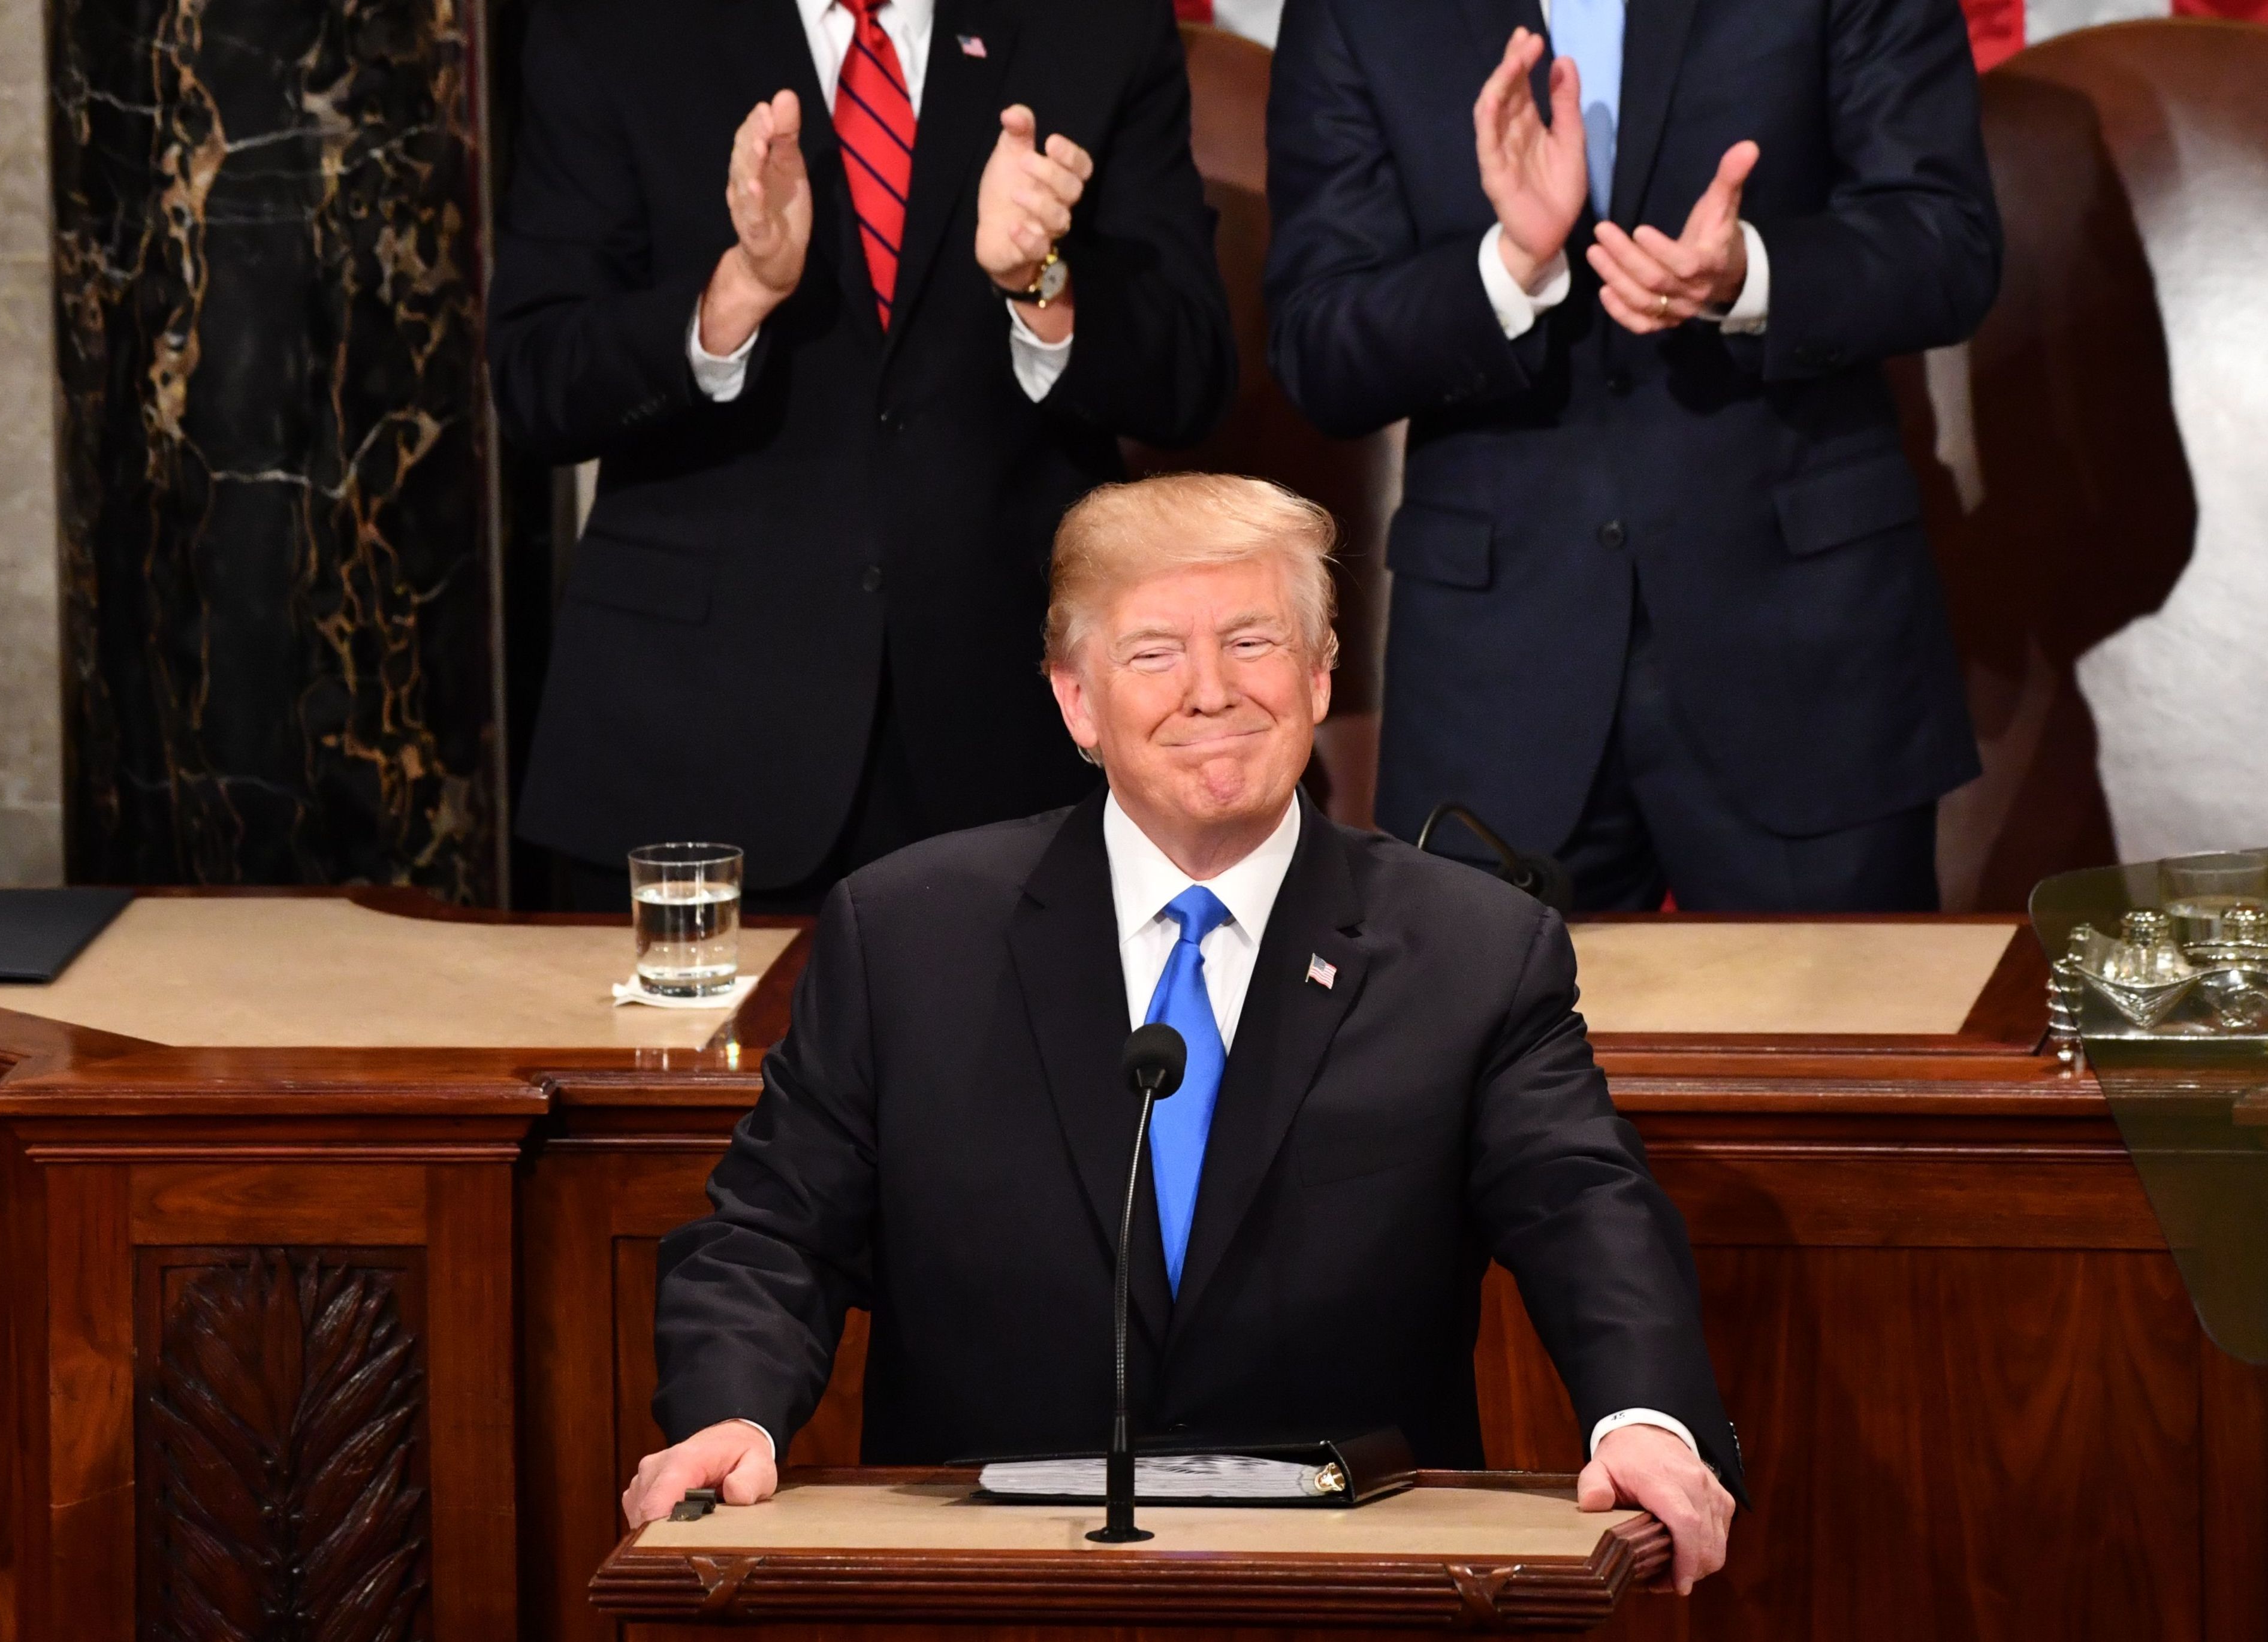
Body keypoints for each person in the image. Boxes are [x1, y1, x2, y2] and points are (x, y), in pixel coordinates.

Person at [629, 474, 1743, 1589]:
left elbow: (1583, 1205)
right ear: (1077, 701)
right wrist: (734, 1413)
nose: (1210, 693)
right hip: (986, 1581)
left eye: (1253, 642)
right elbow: (774, 1230)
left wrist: (1644, 1418)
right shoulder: (908, 932)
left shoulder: (1475, 948)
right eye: (1154, 653)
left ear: (1318, 674)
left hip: (1352, 1580)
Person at [492, 0, 1235, 911]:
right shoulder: (616, 27)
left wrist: (1042, 283)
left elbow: (1191, 377)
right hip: (695, 754)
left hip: (1008, 745)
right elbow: (534, 383)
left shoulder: (1091, 24)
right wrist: (738, 294)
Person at [1264, 0, 2002, 911]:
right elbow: (1318, 346)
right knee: (1489, 1055)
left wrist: (1752, 278)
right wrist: (1506, 271)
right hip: (1497, 688)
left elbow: (1947, 242)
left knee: (1837, 1055)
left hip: (1807, 664)